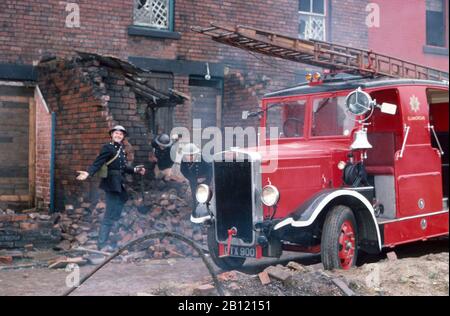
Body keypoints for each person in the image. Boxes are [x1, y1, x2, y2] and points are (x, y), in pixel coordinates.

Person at [76, 125, 145, 250]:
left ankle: (114, 223)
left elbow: (123, 168)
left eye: (121, 134)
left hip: (118, 182)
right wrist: (88, 173)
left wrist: (136, 170)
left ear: (123, 137)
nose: (118, 135)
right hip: (111, 183)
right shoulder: (107, 147)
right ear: (112, 135)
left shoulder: (121, 149)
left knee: (123, 198)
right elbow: (99, 162)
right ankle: (101, 243)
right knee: (109, 214)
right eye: (116, 133)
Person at [180, 143, 212, 209]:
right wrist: (193, 179)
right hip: (193, 181)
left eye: (192, 155)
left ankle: (206, 208)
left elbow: (210, 169)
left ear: (196, 154)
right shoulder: (184, 159)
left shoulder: (204, 158)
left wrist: (206, 179)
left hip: (205, 180)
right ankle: (196, 208)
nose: (190, 157)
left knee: (205, 195)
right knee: (195, 194)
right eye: (187, 155)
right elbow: (183, 170)